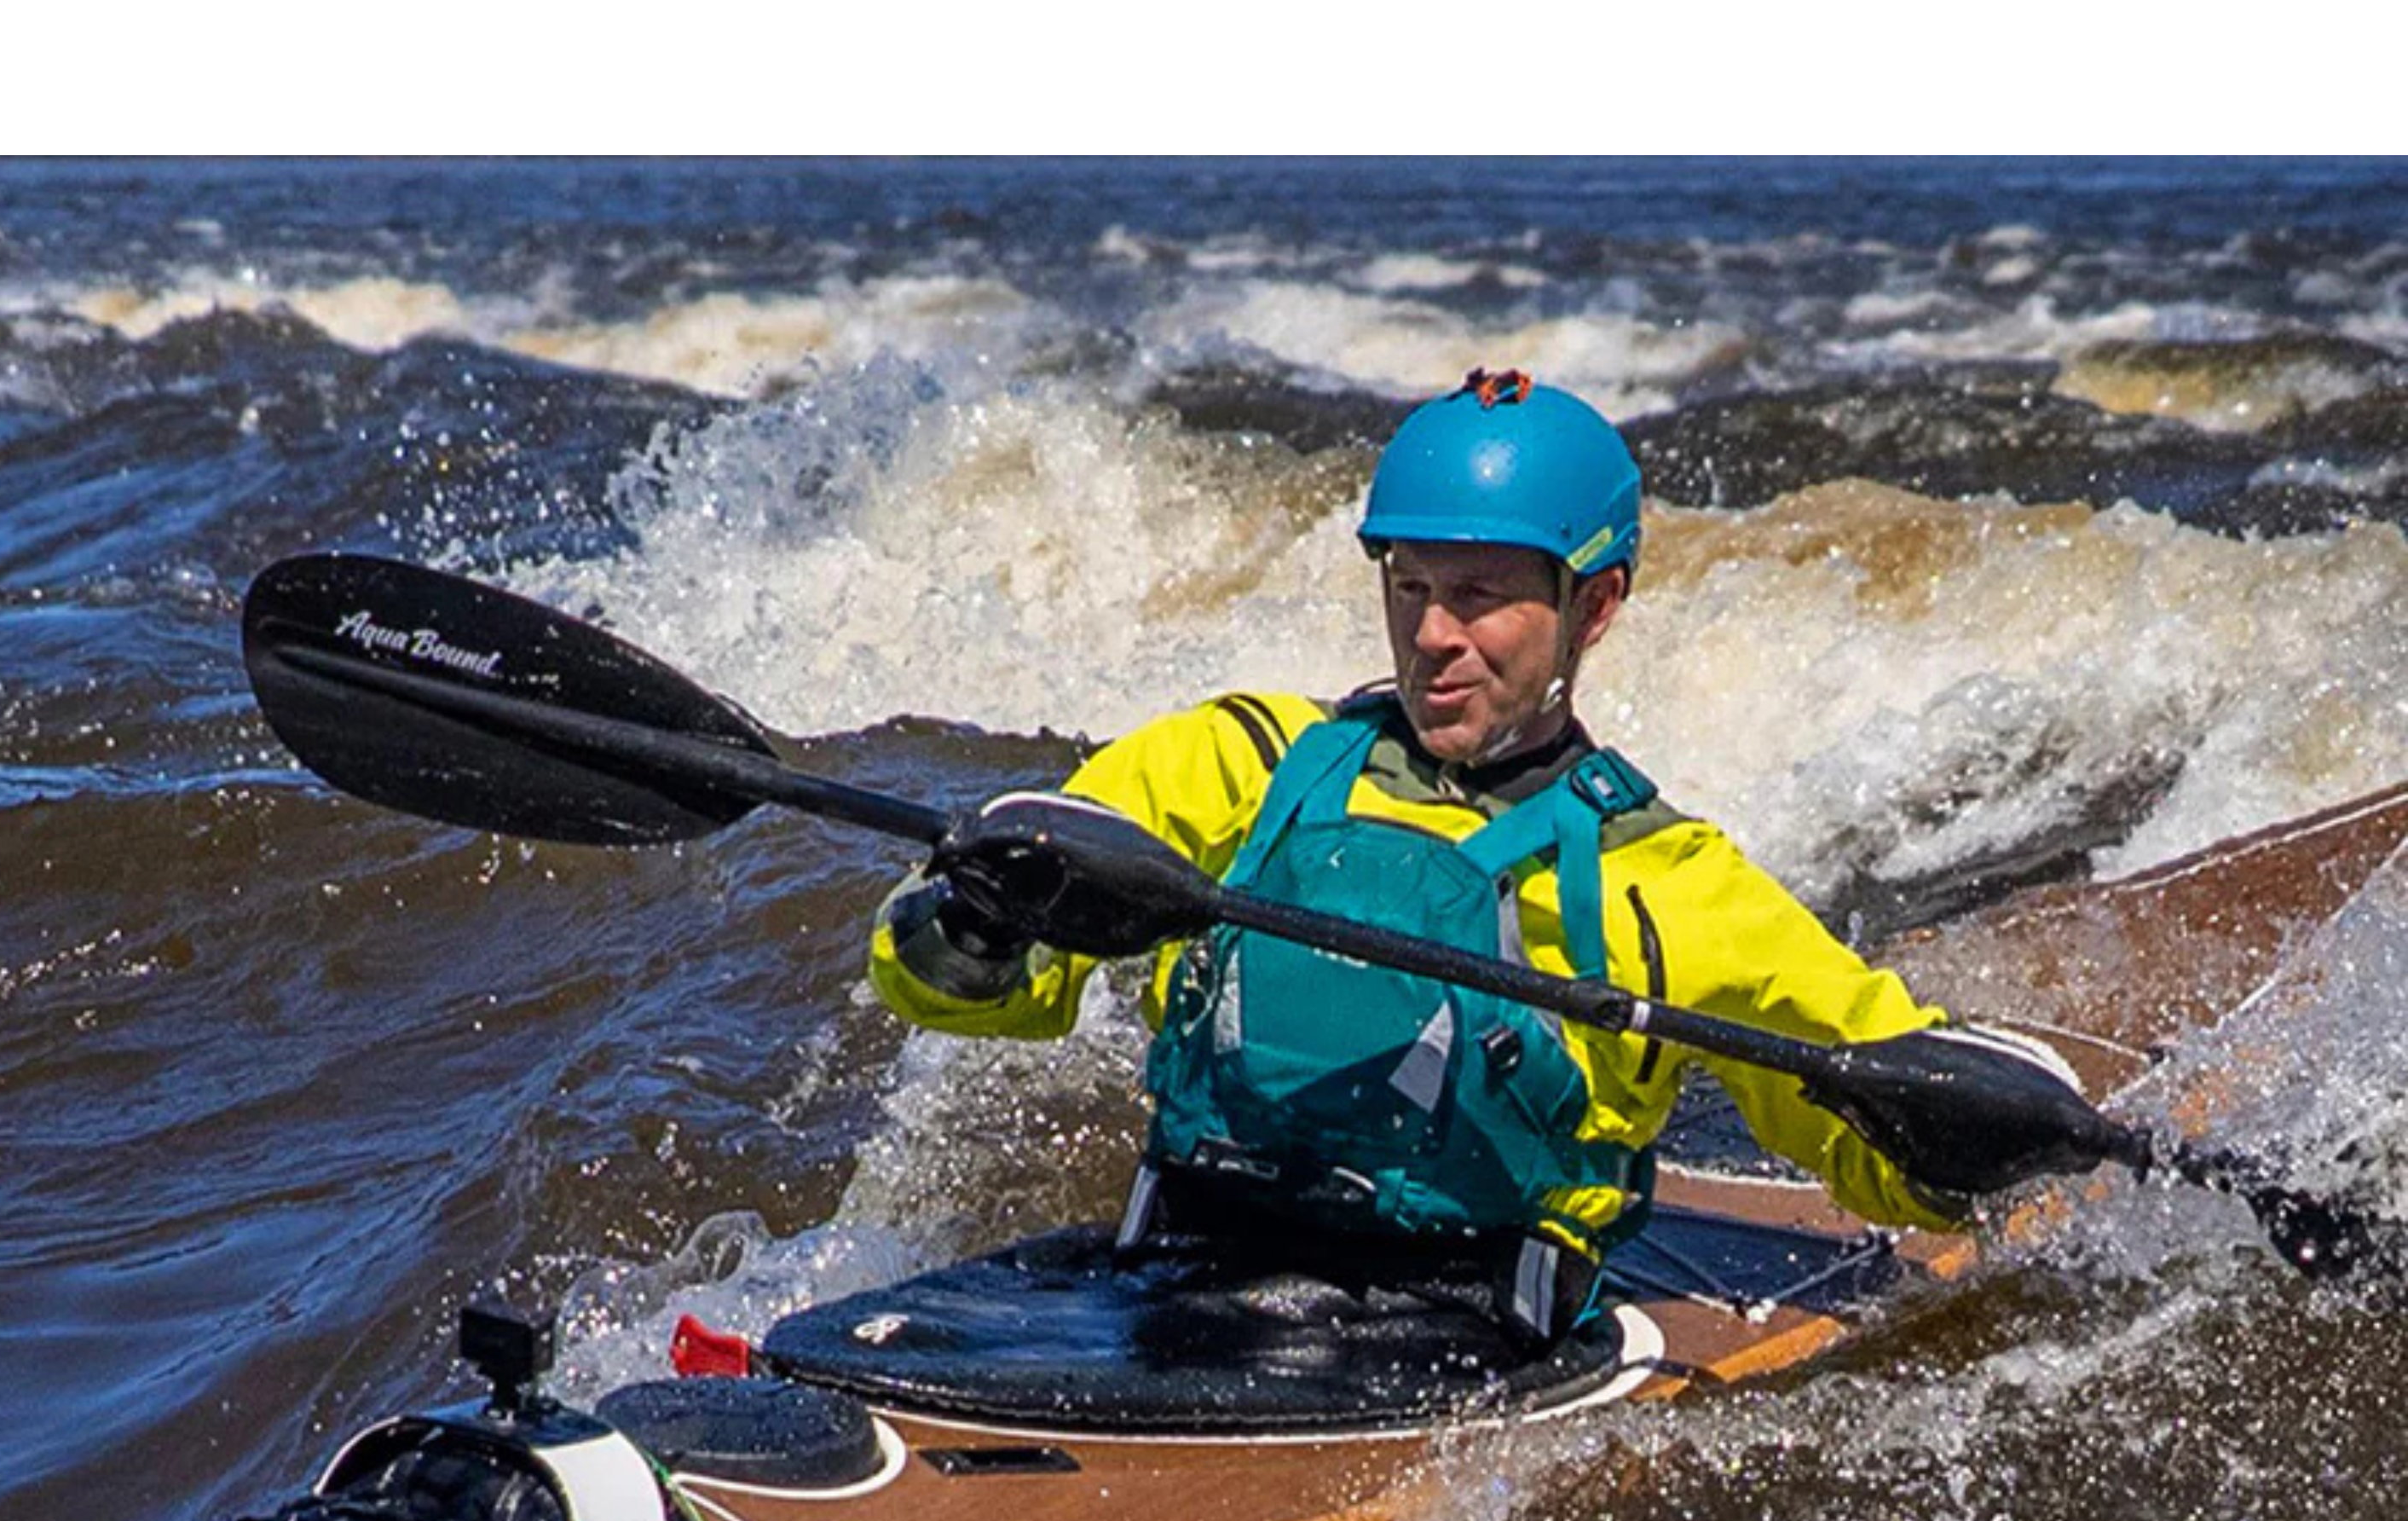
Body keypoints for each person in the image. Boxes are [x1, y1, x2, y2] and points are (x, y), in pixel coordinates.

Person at [870, 369, 2111, 1341]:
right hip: (1177, 1290)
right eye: (1410, 591)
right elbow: (967, 991)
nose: (1436, 638)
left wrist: (1962, 1153)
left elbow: (1850, 1112)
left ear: (1596, 607)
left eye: (1480, 597)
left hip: (1458, 1343)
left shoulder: (1663, 878)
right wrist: (971, 923)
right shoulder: (1240, 765)